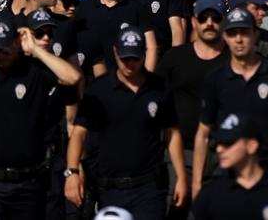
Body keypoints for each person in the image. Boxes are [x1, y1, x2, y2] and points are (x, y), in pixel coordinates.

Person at [0, 17, 82, 220]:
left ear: (16, 42)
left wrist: (36, 49)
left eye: (5, 50)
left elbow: (73, 77)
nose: (0, 56)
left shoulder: (34, 70)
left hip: (28, 184)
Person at [65, 28, 185, 220]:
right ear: (115, 52)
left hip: (149, 189)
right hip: (110, 190)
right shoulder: (99, 90)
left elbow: (173, 133)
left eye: (135, 58)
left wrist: (181, 176)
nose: (130, 64)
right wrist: (72, 171)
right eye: (125, 58)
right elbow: (79, 133)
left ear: (144, 53)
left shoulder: (159, 88)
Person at [191, 7, 268, 198]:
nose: (239, 39)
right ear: (224, 37)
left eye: (244, 32)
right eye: (232, 33)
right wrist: (196, 183)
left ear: (255, 34)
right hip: (229, 175)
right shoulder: (215, 80)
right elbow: (203, 133)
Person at [156, 0, 229, 218]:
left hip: (223, 154)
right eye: (203, 18)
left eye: (215, 18)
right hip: (180, 154)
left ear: (223, 21)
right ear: (194, 21)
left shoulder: (235, 60)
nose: (209, 23)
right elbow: (154, 98)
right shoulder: (175, 58)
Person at [191, 113, 268, 220]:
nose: (219, 149)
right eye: (218, 143)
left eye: (228, 143)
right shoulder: (209, 197)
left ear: (251, 145)